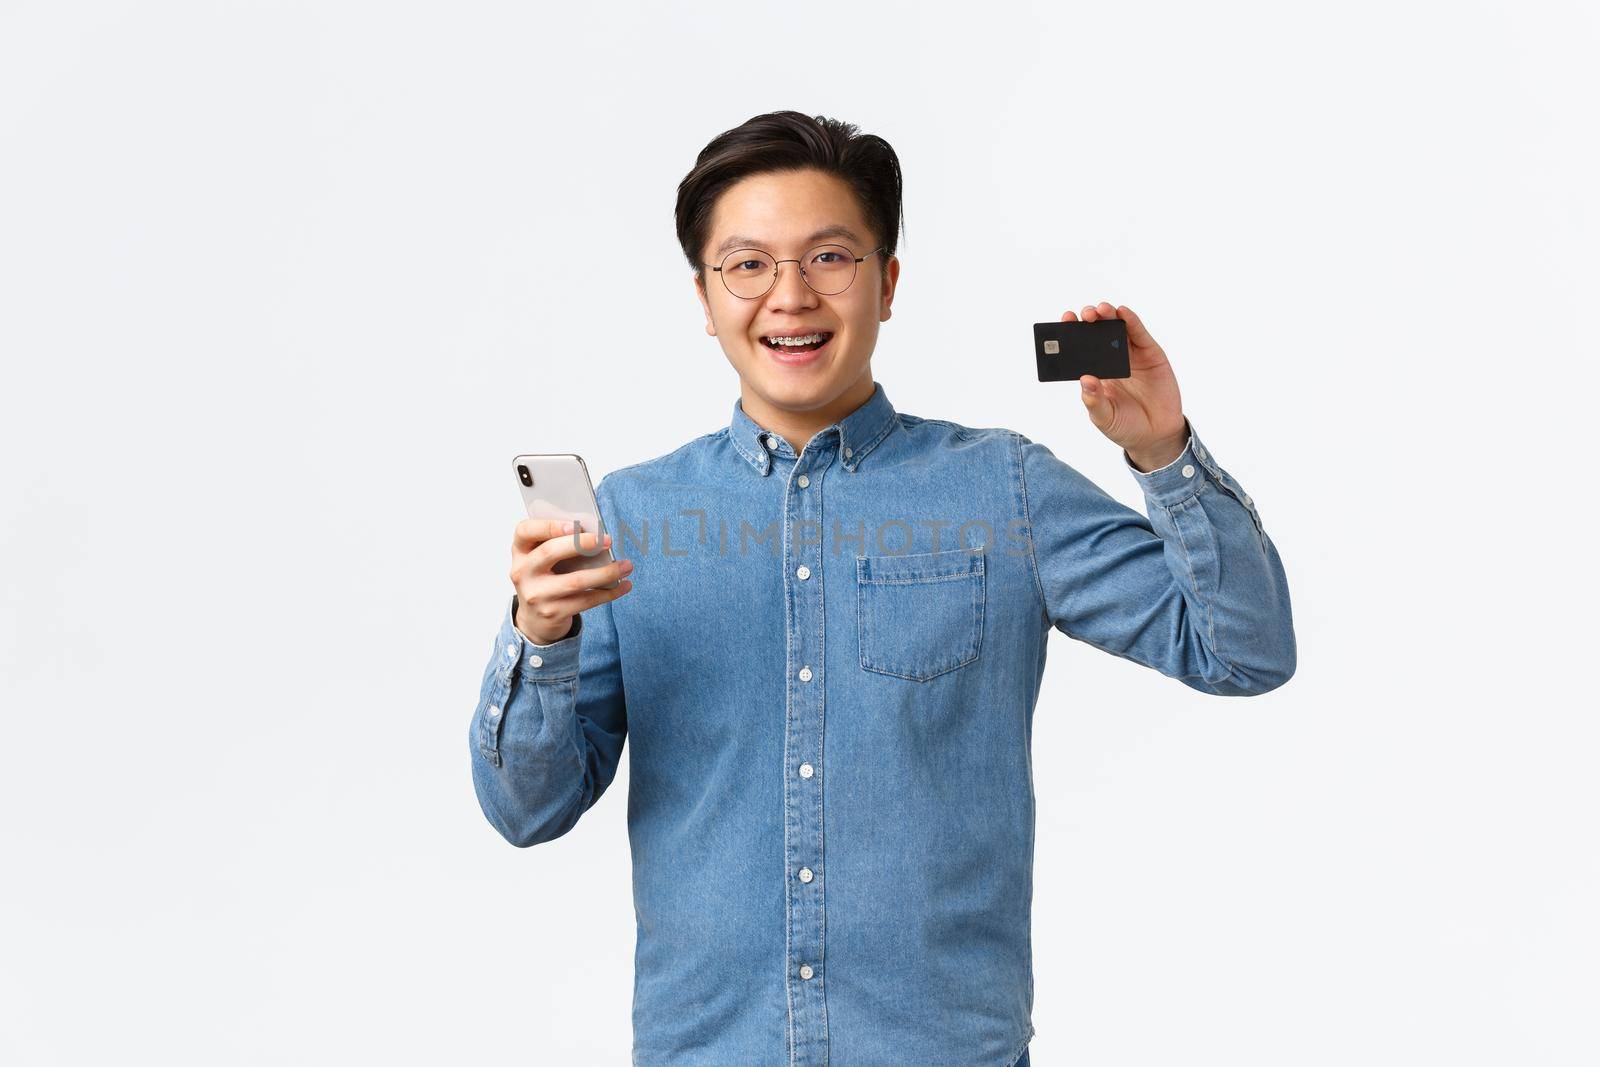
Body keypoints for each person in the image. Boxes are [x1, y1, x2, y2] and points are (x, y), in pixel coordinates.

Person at [468, 110, 1296, 1066]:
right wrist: (541, 634)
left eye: (829, 257)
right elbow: (527, 809)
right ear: (704, 295)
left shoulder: (1004, 489)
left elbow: (1245, 650)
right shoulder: (630, 519)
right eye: (748, 264)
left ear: (887, 282)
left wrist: (1162, 450)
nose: (790, 296)